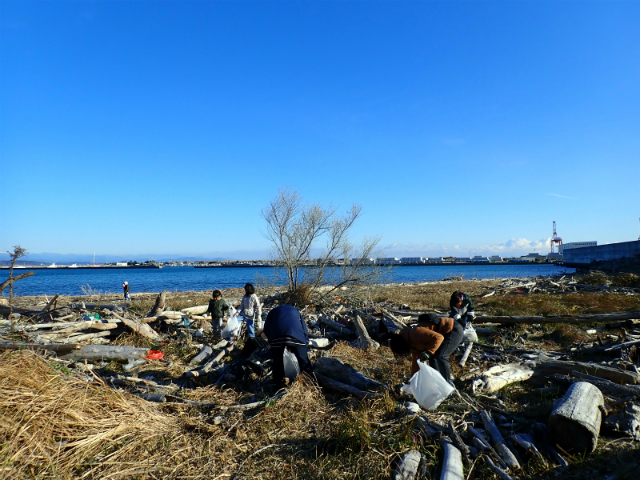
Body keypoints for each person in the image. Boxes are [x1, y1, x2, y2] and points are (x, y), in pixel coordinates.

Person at [387, 313, 463, 385]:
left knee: (441, 356)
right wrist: (413, 380)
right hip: (444, 333)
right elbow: (416, 361)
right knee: (433, 358)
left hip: (452, 329)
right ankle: (438, 382)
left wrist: (429, 352)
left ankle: (447, 383)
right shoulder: (411, 343)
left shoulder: (415, 333)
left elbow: (439, 338)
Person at [260, 303, 313, 388]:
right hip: (297, 337)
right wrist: (305, 342)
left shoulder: (273, 311)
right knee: (303, 360)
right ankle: (310, 382)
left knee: (277, 361)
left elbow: (266, 328)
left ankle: (279, 384)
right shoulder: (296, 311)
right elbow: (304, 328)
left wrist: (272, 340)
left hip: (277, 337)